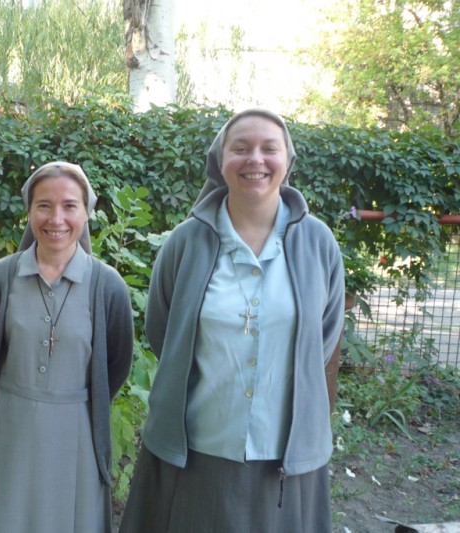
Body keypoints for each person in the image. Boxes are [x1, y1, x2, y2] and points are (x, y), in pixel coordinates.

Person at [119, 109, 345, 532]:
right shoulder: (185, 242)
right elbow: (166, 332)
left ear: (287, 161)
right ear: (220, 161)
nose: (255, 159)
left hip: (283, 457)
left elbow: (323, 337)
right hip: (195, 452)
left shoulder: (318, 243)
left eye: (268, 148)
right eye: (240, 148)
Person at [0, 162, 134, 533]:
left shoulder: (108, 286)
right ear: (29, 211)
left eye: (70, 206)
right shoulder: (0, 277)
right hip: (11, 425)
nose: (56, 219)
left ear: (87, 212)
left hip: (78, 429)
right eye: (44, 205)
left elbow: (117, 362)